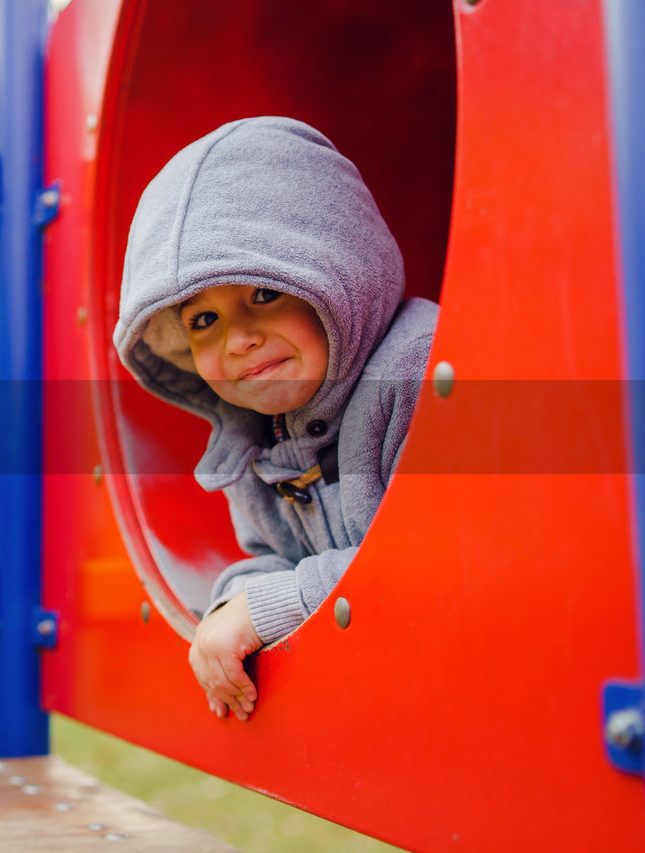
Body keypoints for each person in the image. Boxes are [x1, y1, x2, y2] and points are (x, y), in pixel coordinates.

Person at [113, 117, 437, 721]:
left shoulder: (419, 373)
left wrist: (275, 605)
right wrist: (237, 602)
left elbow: (441, 558)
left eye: (263, 294)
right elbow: (269, 558)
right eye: (203, 321)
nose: (238, 339)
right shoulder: (255, 439)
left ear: (341, 269)